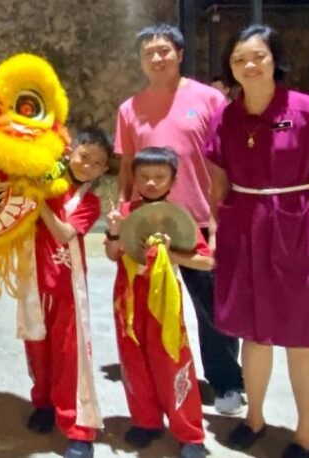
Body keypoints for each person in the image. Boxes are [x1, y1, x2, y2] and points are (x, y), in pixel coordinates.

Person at [205, 25, 309, 458]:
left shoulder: (305, 108)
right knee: (254, 334)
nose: (249, 65)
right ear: (230, 68)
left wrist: (298, 207)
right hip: (244, 228)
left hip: (297, 230)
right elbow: (218, 183)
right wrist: (216, 231)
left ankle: (306, 435)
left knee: (301, 336)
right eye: (238, 59)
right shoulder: (226, 117)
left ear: (275, 60)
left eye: (258, 56)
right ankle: (254, 418)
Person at [115, 24, 244, 415]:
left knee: (213, 307)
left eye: (164, 50)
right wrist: (121, 215)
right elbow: (127, 168)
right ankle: (157, 379)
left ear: (180, 54)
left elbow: (226, 161)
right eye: (148, 53)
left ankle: (227, 382)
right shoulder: (129, 109)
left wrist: (223, 219)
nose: (157, 58)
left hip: (201, 220)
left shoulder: (209, 99)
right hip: (147, 224)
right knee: (148, 305)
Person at [105, 147, 211, 458]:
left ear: (173, 180)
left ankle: (190, 435)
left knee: (173, 361)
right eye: (144, 177)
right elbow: (112, 255)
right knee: (133, 361)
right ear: (134, 178)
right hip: (127, 297)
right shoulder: (125, 211)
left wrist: (170, 252)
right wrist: (115, 232)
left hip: (164, 300)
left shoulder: (179, 217)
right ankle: (146, 422)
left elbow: (206, 262)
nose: (151, 183)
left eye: (159, 177)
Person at [23, 128, 111, 458]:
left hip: (67, 288)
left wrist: (40, 205)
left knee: (70, 358)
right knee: (37, 349)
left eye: (97, 163)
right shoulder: (46, 182)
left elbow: (63, 234)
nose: (88, 165)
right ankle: (44, 404)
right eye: (84, 156)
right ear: (70, 152)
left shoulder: (89, 202)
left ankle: (78, 429)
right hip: (34, 281)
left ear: (104, 170)